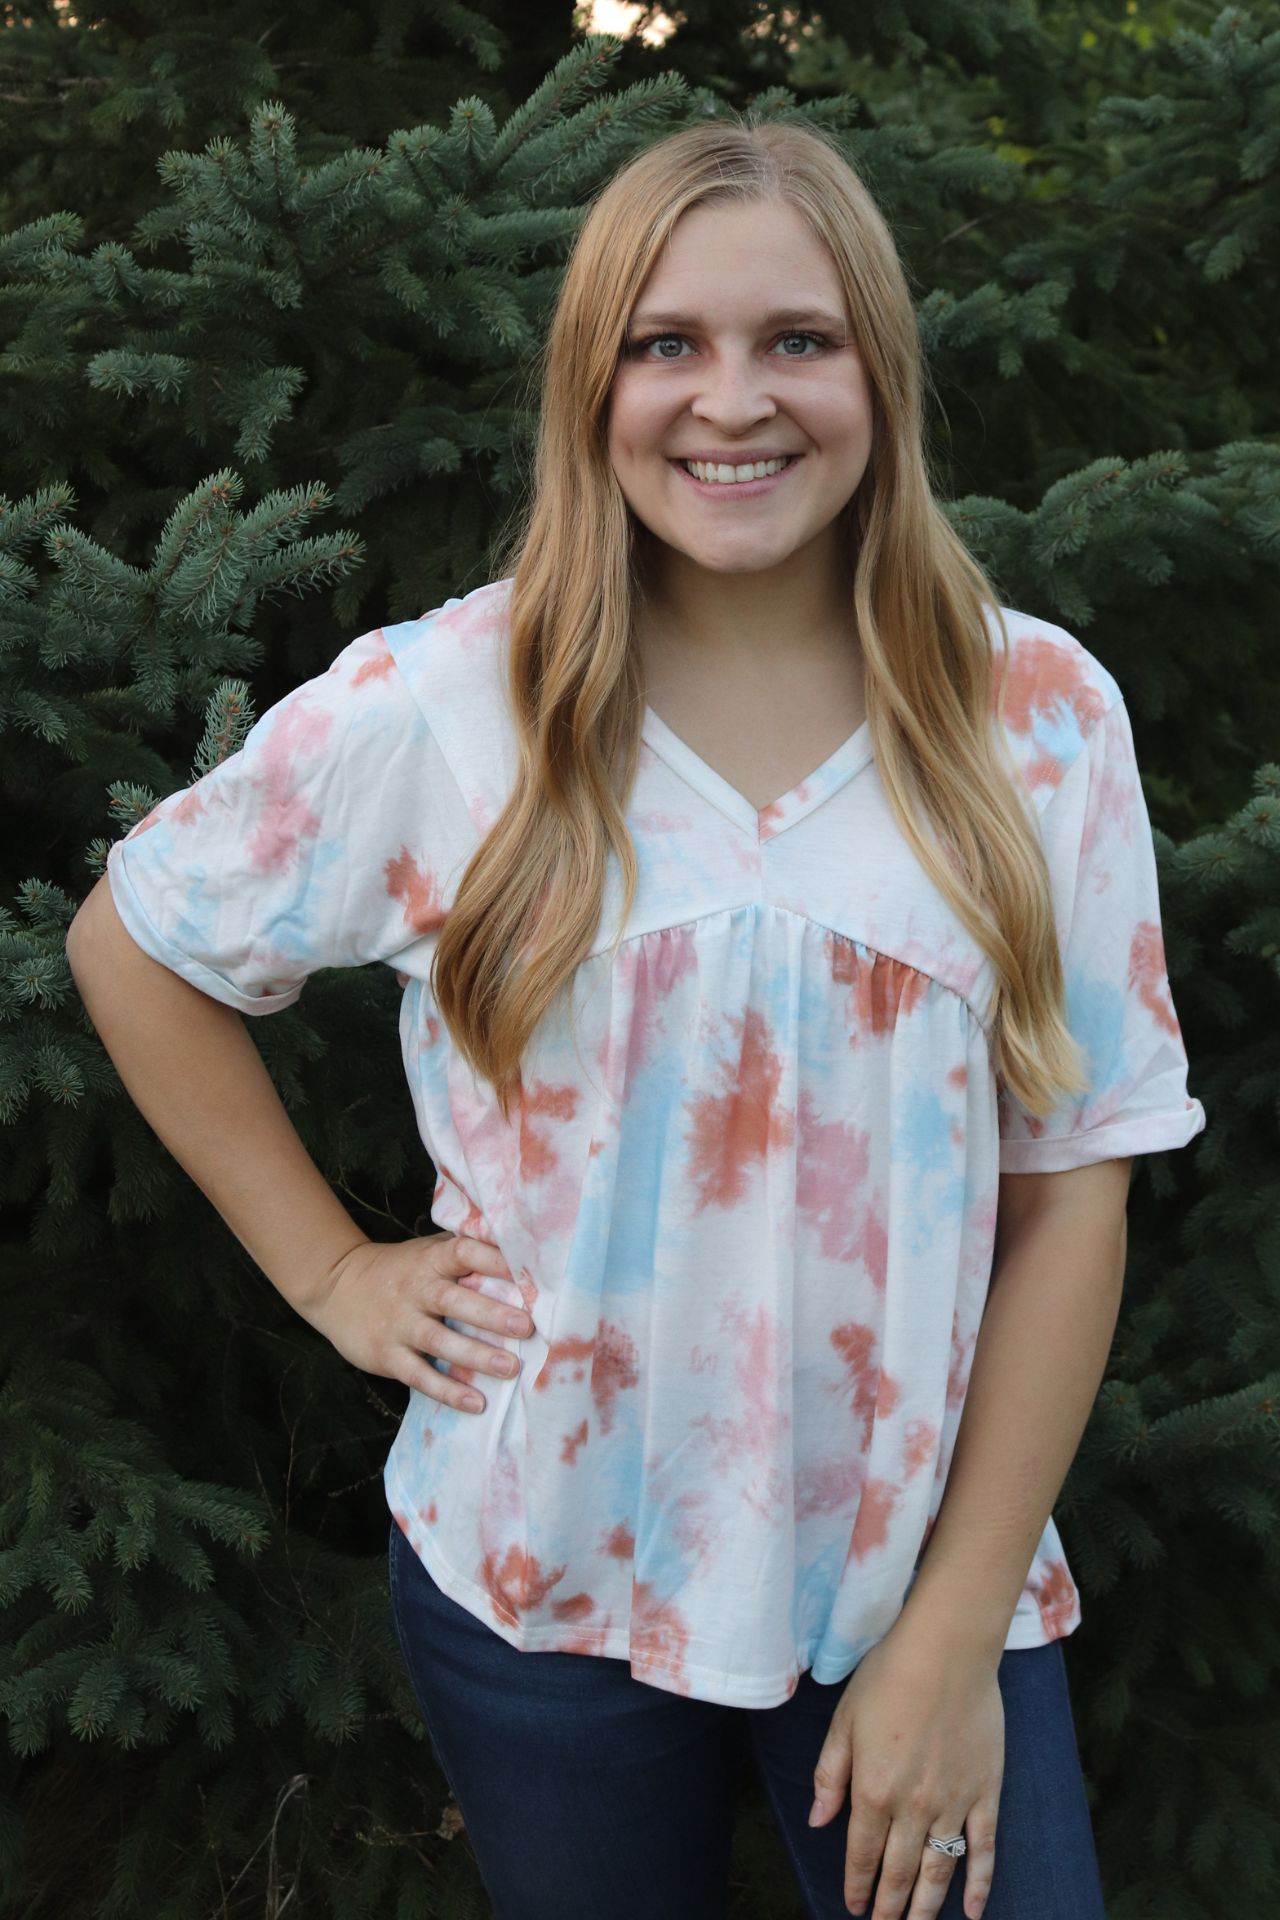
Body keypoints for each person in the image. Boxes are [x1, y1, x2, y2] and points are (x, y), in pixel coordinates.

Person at [66, 120, 1204, 1920]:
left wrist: (954, 1641)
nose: (730, 401)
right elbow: (136, 941)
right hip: (540, 1586)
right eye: (665, 343)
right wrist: (330, 1275)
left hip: (918, 1593)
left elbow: (1077, 1185)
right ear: (592, 382)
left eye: (796, 342)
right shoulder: (453, 704)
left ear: (878, 375)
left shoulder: (1035, 712)